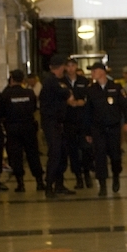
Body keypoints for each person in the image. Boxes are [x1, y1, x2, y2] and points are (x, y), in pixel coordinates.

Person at [84, 62, 127, 196]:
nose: (92, 74)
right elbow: (87, 112)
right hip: (98, 128)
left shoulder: (116, 87)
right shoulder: (91, 90)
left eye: (94, 71)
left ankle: (116, 175)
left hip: (113, 127)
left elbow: (125, 106)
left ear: (102, 72)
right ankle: (103, 185)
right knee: (99, 156)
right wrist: (87, 131)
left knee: (115, 155)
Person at [1, 69, 45, 192]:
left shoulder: (6, 94)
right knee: (33, 154)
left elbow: (1, 111)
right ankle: (39, 181)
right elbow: (33, 108)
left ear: (11, 79)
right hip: (28, 127)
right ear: (23, 80)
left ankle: (20, 183)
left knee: (16, 156)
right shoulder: (29, 93)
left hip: (13, 128)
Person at [39, 54, 77, 198]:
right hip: (51, 123)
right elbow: (65, 93)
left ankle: (59, 184)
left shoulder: (58, 81)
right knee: (55, 154)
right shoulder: (51, 81)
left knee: (62, 154)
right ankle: (49, 185)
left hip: (59, 123)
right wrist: (69, 93)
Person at [62, 58, 92, 189]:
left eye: (73, 66)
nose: (70, 68)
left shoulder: (83, 81)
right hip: (68, 121)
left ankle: (87, 174)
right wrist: (67, 103)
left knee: (86, 149)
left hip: (83, 120)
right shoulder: (61, 82)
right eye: (68, 66)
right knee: (73, 150)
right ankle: (78, 177)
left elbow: (89, 98)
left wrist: (82, 102)